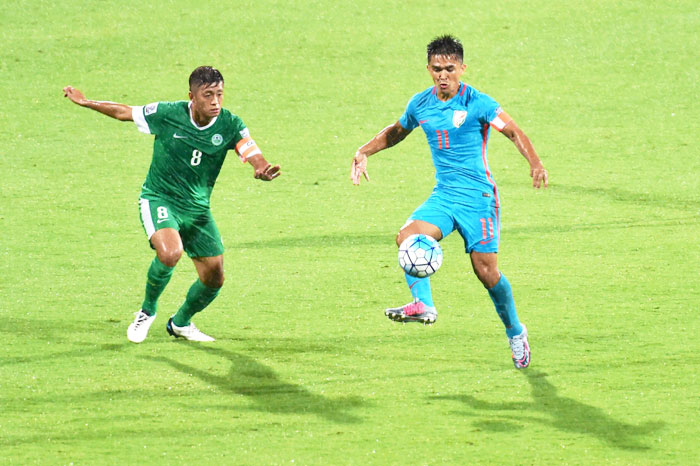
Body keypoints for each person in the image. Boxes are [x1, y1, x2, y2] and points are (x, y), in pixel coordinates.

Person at [351, 35, 547, 369]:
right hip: (444, 197)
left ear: (462, 68)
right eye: (437, 69)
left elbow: (513, 131)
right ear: (428, 69)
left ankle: (515, 331)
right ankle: (423, 305)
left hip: (478, 199)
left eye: (450, 69)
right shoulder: (421, 104)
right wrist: (364, 151)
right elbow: (397, 131)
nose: (444, 75)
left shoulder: (478, 102)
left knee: (486, 272)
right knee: (407, 238)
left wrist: (535, 162)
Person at [63, 66, 280, 343]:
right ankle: (146, 312)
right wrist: (86, 102)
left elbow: (250, 149)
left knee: (215, 278)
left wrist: (260, 168)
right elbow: (124, 112)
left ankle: (180, 323)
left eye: (219, 94)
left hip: (197, 210)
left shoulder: (230, 123)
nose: (215, 101)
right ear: (192, 96)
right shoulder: (168, 114)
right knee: (170, 253)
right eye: (208, 95)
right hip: (160, 198)